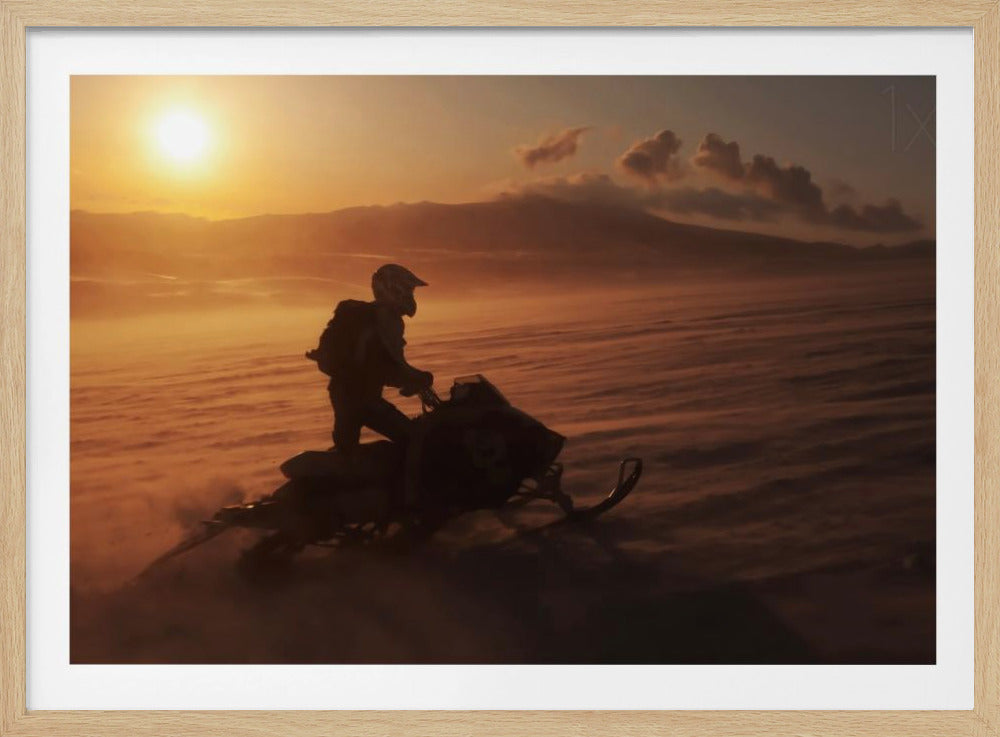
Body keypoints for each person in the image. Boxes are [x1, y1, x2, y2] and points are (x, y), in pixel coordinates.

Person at [306, 264, 434, 453]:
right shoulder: (387, 319)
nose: (410, 296)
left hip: (346, 394)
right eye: (408, 290)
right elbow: (395, 366)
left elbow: (381, 366)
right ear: (394, 288)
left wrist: (410, 380)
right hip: (363, 398)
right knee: (415, 441)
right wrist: (420, 378)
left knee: (346, 449)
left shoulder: (371, 316)